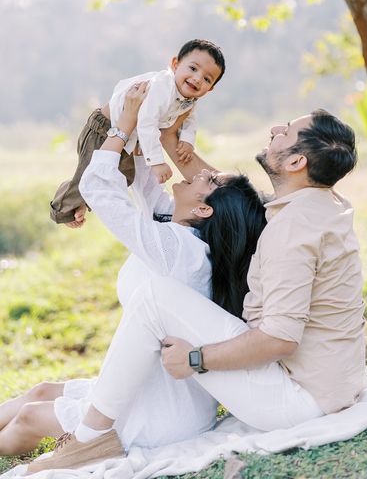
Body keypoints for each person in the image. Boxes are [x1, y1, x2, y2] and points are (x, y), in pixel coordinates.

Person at [23, 105, 367, 474]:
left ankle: (90, 439)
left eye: (286, 132)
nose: (274, 129)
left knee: (156, 297)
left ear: (297, 161)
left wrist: (196, 359)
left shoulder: (290, 232)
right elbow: (222, 193)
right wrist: (160, 139)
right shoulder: (319, 203)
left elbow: (280, 340)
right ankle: (93, 429)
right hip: (333, 384)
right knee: (158, 296)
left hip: (298, 399)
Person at [0, 83, 266, 458]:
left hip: (159, 415)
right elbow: (142, 182)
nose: (195, 173)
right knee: (40, 391)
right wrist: (148, 126)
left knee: (29, 418)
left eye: (209, 181)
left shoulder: (178, 251)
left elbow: (100, 191)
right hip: (146, 386)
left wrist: (121, 129)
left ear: (204, 209)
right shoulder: (179, 235)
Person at [49, 39, 225, 227]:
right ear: (175, 64)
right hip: (104, 129)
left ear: (210, 89)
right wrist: (157, 162)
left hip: (127, 137)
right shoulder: (161, 88)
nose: (198, 78)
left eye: (207, 79)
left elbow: (190, 120)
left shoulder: (189, 100)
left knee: (123, 177)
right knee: (90, 174)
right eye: (193, 68)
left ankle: (82, 201)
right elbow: (146, 123)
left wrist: (188, 141)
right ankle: (62, 211)